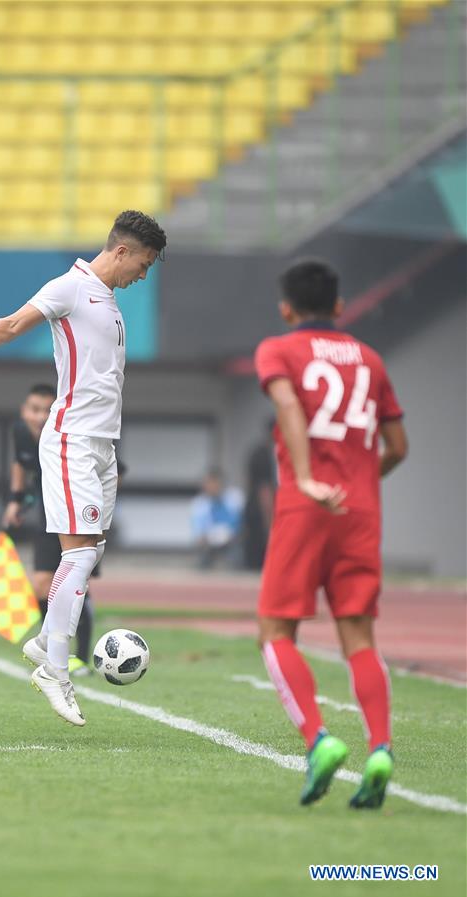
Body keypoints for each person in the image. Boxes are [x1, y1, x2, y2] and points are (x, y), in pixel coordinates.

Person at [0, 209, 167, 726]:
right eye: (144, 263)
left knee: (93, 550)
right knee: (80, 556)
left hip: (103, 446)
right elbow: (15, 322)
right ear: (121, 251)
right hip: (70, 440)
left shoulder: (110, 302)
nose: (144, 274)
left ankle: (46, 640)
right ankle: (55, 668)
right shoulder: (70, 287)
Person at [254, 259, 407, 809]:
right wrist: (360, 483)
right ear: (341, 307)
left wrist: (309, 478)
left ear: (286, 308)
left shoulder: (278, 349)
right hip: (362, 512)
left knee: (275, 629)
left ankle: (318, 738)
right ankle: (382, 749)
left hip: (307, 505)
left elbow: (290, 407)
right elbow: (398, 448)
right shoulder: (371, 359)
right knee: (359, 638)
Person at [2, 383, 94, 674]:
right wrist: (16, 500)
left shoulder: (71, 435)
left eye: (47, 410)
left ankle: (80, 658)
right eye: (35, 409)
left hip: (75, 512)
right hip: (48, 513)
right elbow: (20, 464)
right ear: (24, 411)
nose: (41, 417)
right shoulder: (20, 432)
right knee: (42, 585)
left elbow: (114, 470)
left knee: (76, 586)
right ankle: (52, 649)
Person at [189, 468, 243, 569]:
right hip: (208, 545)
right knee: (203, 560)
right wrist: (207, 539)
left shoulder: (234, 498)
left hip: (230, 542)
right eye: (209, 483)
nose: (212, 487)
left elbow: (238, 525)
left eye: (215, 483)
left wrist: (230, 536)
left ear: (221, 484)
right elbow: (197, 534)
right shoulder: (198, 504)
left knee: (237, 558)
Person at [242, 419, 276, 570]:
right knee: (259, 545)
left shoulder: (263, 452)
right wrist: (268, 517)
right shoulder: (263, 455)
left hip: (260, 505)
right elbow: (265, 489)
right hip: (260, 509)